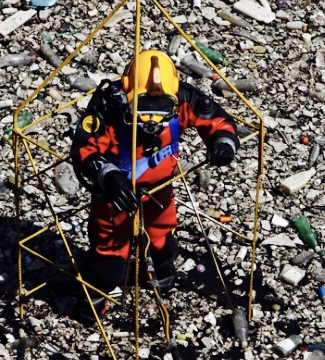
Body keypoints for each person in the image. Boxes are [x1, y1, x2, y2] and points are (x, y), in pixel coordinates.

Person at [70, 49, 238, 318]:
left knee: (162, 240)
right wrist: (107, 176)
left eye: (161, 109)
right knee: (109, 256)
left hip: (160, 190)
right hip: (116, 194)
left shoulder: (183, 97)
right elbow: (85, 148)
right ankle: (94, 300)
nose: (151, 120)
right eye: (143, 107)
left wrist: (222, 143)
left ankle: (159, 275)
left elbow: (217, 120)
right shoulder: (108, 105)